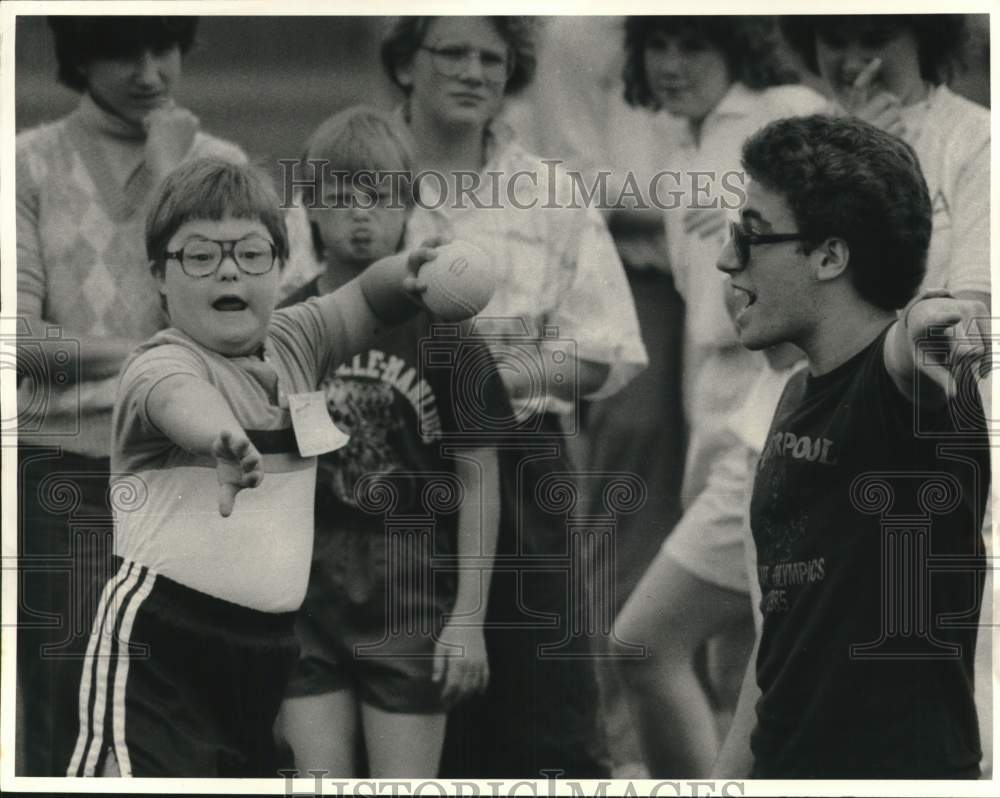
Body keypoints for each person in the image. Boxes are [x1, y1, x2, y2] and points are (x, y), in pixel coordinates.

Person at [66, 157, 472, 777]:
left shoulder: (297, 340)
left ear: (280, 269)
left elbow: (364, 296)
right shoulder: (162, 361)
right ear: (159, 277)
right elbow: (177, 398)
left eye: (251, 254)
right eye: (200, 256)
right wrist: (218, 438)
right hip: (160, 646)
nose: (229, 268)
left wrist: (406, 274)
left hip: (264, 652)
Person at [380, 16, 648, 777]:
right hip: (390, 473)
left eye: (492, 60)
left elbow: (604, 351)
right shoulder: (355, 179)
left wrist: (492, 385)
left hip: (525, 473)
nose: (473, 73)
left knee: (543, 718)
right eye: (452, 53)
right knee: (408, 710)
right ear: (405, 64)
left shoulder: (550, 192)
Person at [713, 114, 989, 778]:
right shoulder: (794, 395)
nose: (727, 260)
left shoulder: (906, 384)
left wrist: (930, 323)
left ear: (830, 257)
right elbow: (782, 636)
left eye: (751, 237)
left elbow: (911, 352)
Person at [15, 16, 246, 776]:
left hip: (190, 471)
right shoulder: (28, 165)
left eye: (165, 48)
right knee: (65, 698)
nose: (151, 72)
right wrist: (154, 356)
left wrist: (172, 178)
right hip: (65, 471)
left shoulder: (218, 168)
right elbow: (20, 343)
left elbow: (233, 328)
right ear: (80, 60)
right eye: (123, 52)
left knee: (181, 702)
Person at [612, 16, 826, 777]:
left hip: (782, 408)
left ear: (735, 46)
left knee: (655, 640)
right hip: (716, 412)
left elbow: (851, 236)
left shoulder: (785, 105)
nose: (671, 65)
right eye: (657, 46)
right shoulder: (678, 146)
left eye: (693, 45)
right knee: (733, 671)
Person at [275, 107, 504, 777]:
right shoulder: (289, 326)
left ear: (408, 206)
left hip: (409, 594)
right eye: (341, 196)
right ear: (309, 209)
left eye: (380, 195)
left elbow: (479, 477)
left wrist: (468, 619)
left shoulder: (445, 329)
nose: (361, 214)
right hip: (307, 596)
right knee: (319, 780)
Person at [779, 14, 989, 308]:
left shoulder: (979, 137)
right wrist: (844, 157)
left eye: (875, 39)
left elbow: (973, 307)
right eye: (833, 42)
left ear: (923, 37)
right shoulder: (789, 141)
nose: (852, 64)